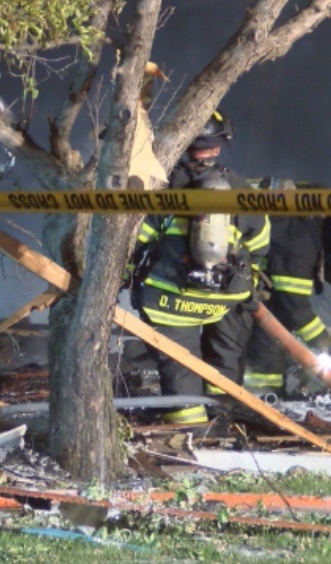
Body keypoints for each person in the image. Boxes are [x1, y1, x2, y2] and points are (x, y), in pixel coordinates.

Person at [125, 111, 270, 424]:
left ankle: (189, 430)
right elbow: (260, 244)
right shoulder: (242, 189)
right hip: (225, 299)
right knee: (226, 358)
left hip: (170, 301)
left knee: (181, 369)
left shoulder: (161, 187)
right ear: (220, 145)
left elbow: (133, 242)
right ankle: (222, 421)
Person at [243, 178, 331, 396]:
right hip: (225, 278)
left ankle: (264, 395)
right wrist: (324, 340)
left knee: (272, 323)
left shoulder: (315, 212)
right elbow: (294, 307)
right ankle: (259, 396)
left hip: (238, 275)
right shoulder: (302, 241)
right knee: (267, 330)